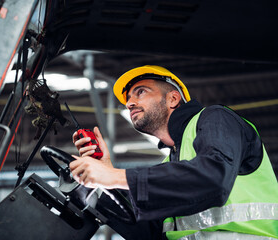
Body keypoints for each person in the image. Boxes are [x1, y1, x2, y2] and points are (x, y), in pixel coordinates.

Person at [69, 65, 278, 240]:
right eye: (128, 99)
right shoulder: (170, 166)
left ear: (173, 99)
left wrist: (116, 176)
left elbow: (213, 178)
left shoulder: (216, 118)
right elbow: (150, 232)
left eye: (140, 91)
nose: (130, 102)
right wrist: (100, 187)